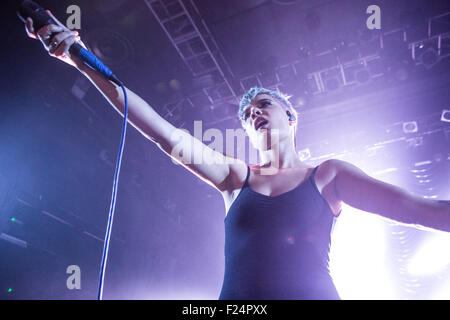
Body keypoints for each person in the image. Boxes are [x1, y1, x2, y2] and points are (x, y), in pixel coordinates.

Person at [24, 12, 450, 300]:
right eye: (247, 114)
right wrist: (81, 60)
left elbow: (416, 208)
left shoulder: (328, 174)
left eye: (263, 103)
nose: (254, 112)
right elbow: (160, 130)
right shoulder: (233, 177)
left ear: (291, 117)